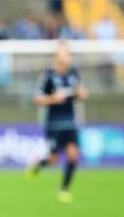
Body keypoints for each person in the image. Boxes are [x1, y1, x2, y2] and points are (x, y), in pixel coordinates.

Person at [25, 43, 88, 203]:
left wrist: (81, 94)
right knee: (53, 159)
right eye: (63, 56)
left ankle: (64, 189)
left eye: (68, 55)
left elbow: (79, 92)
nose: (67, 59)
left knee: (73, 155)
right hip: (54, 123)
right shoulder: (48, 76)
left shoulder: (74, 74)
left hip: (70, 122)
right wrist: (53, 98)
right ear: (56, 58)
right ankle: (38, 165)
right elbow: (36, 99)